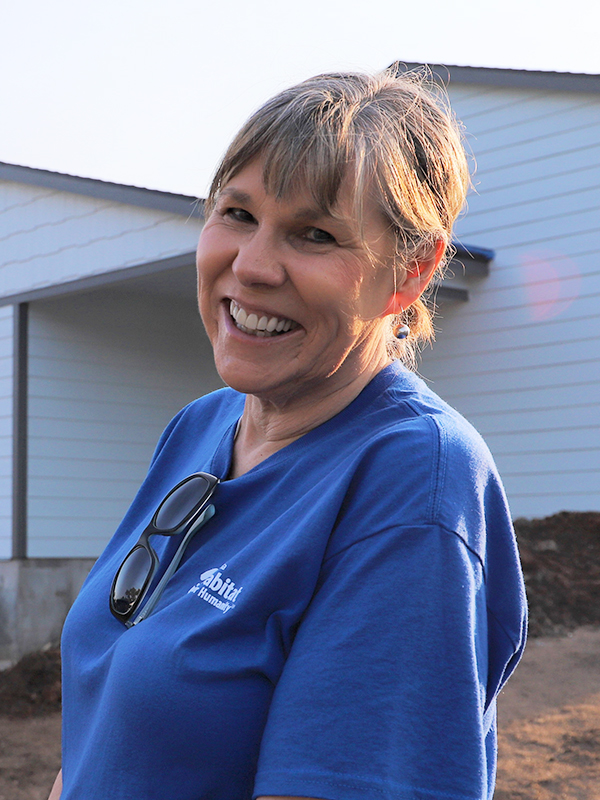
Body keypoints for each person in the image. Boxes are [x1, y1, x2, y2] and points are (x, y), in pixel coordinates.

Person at [50, 66, 526, 800]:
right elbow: (101, 741)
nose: (251, 266)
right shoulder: (200, 426)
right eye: (237, 214)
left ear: (411, 269)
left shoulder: (413, 479)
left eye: (314, 234)